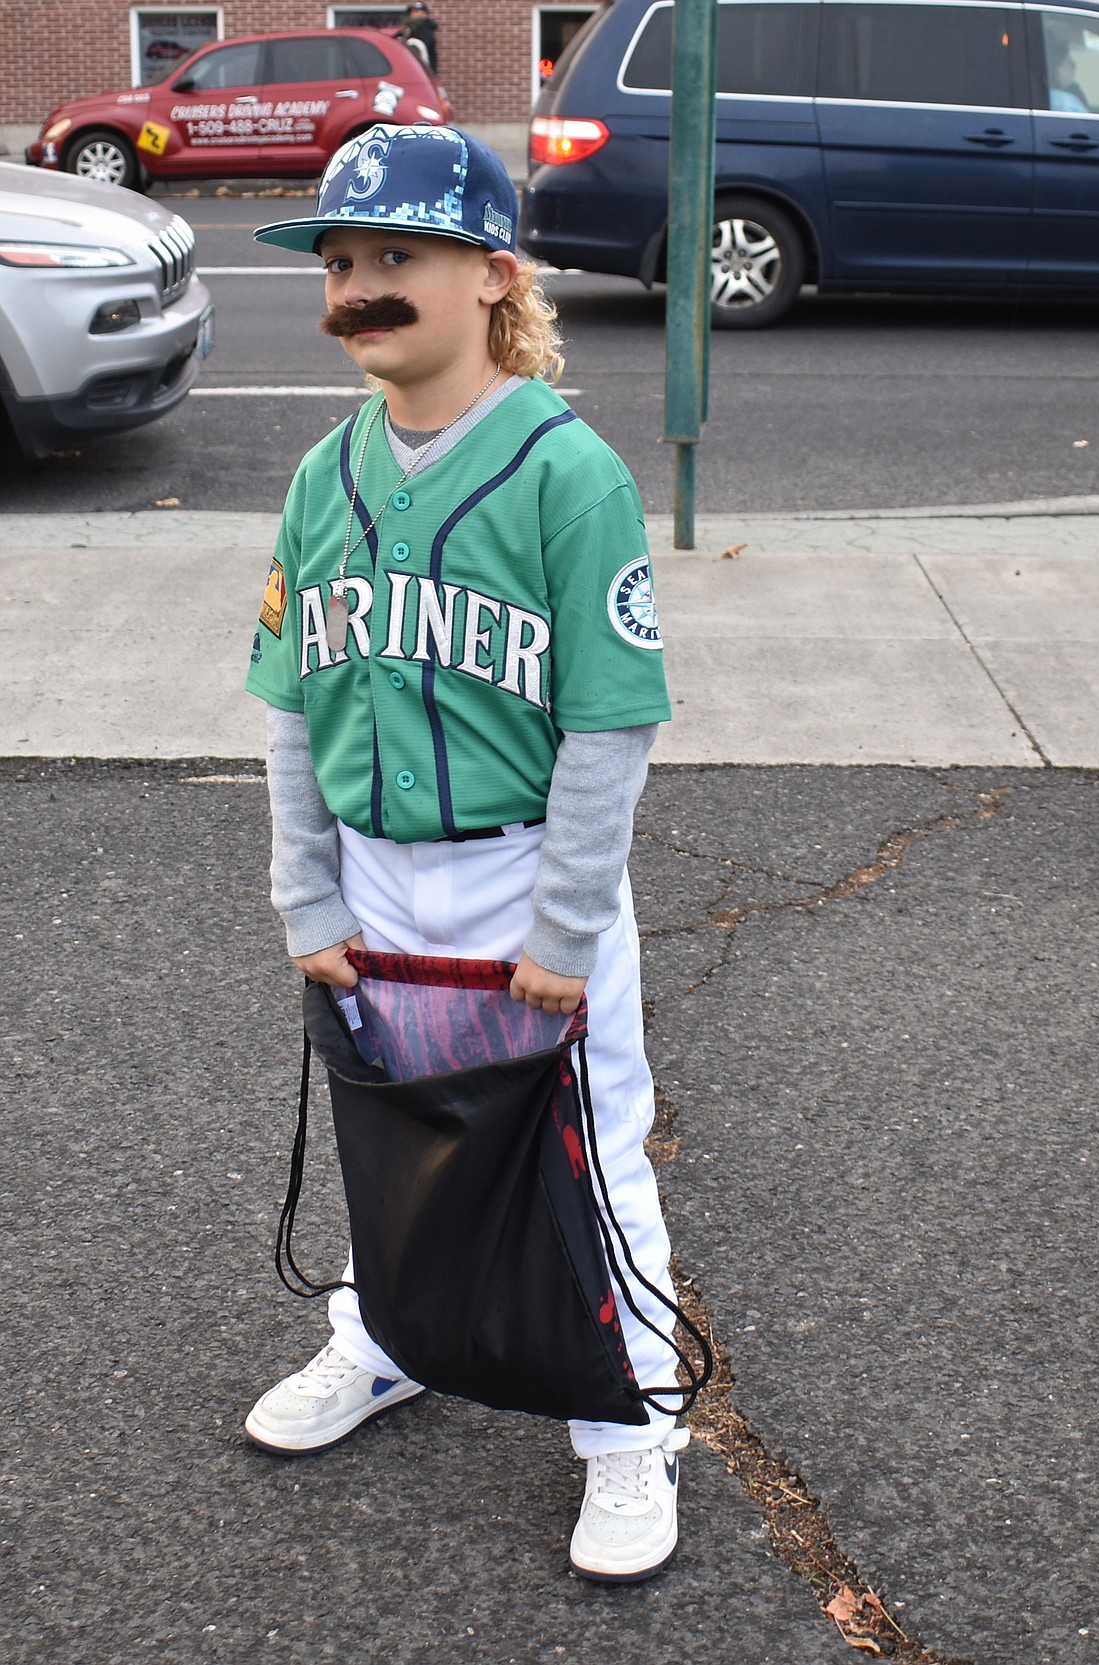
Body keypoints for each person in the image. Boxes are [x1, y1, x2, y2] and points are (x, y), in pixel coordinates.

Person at [242, 123, 688, 1584]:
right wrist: (303, 888)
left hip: (522, 871)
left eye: (398, 258)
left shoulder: (570, 474)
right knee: (393, 1127)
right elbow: (289, 708)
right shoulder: (325, 474)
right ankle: (384, 1339)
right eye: (343, 261)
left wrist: (565, 926)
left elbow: (607, 730)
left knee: (586, 1145)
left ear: (492, 275)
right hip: (370, 871)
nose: (362, 286)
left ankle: (632, 1427)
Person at [403, 1, 438, 72]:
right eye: (412, 12)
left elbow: (421, 50)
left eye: (417, 11)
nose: (414, 14)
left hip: (423, 70)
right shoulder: (410, 28)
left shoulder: (425, 29)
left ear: (424, 14)